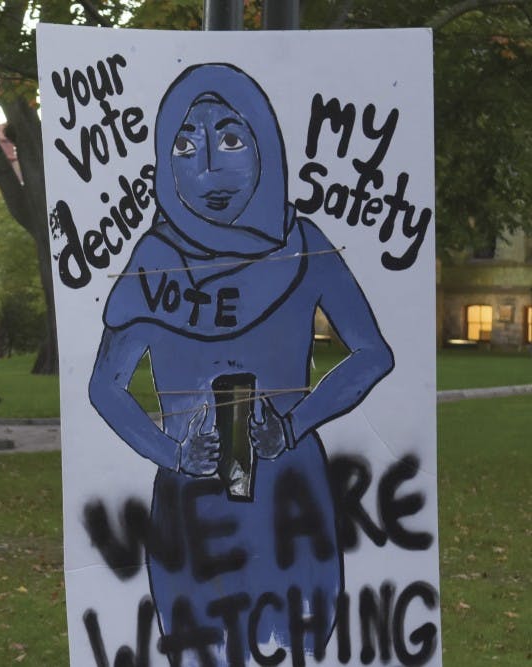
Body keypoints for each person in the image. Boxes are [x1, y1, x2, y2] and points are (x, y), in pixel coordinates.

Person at [88, 64, 394, 665]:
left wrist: (294, 424)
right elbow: (105, 385)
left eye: (231, 138)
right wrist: (171, 453)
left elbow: (372, 353)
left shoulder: (304, 245)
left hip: (290, 497)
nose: (208, 168)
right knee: (200, 645)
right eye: (185, 143)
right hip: (192, 499)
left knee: (299, 641)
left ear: (264, 143)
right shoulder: (157, 259)